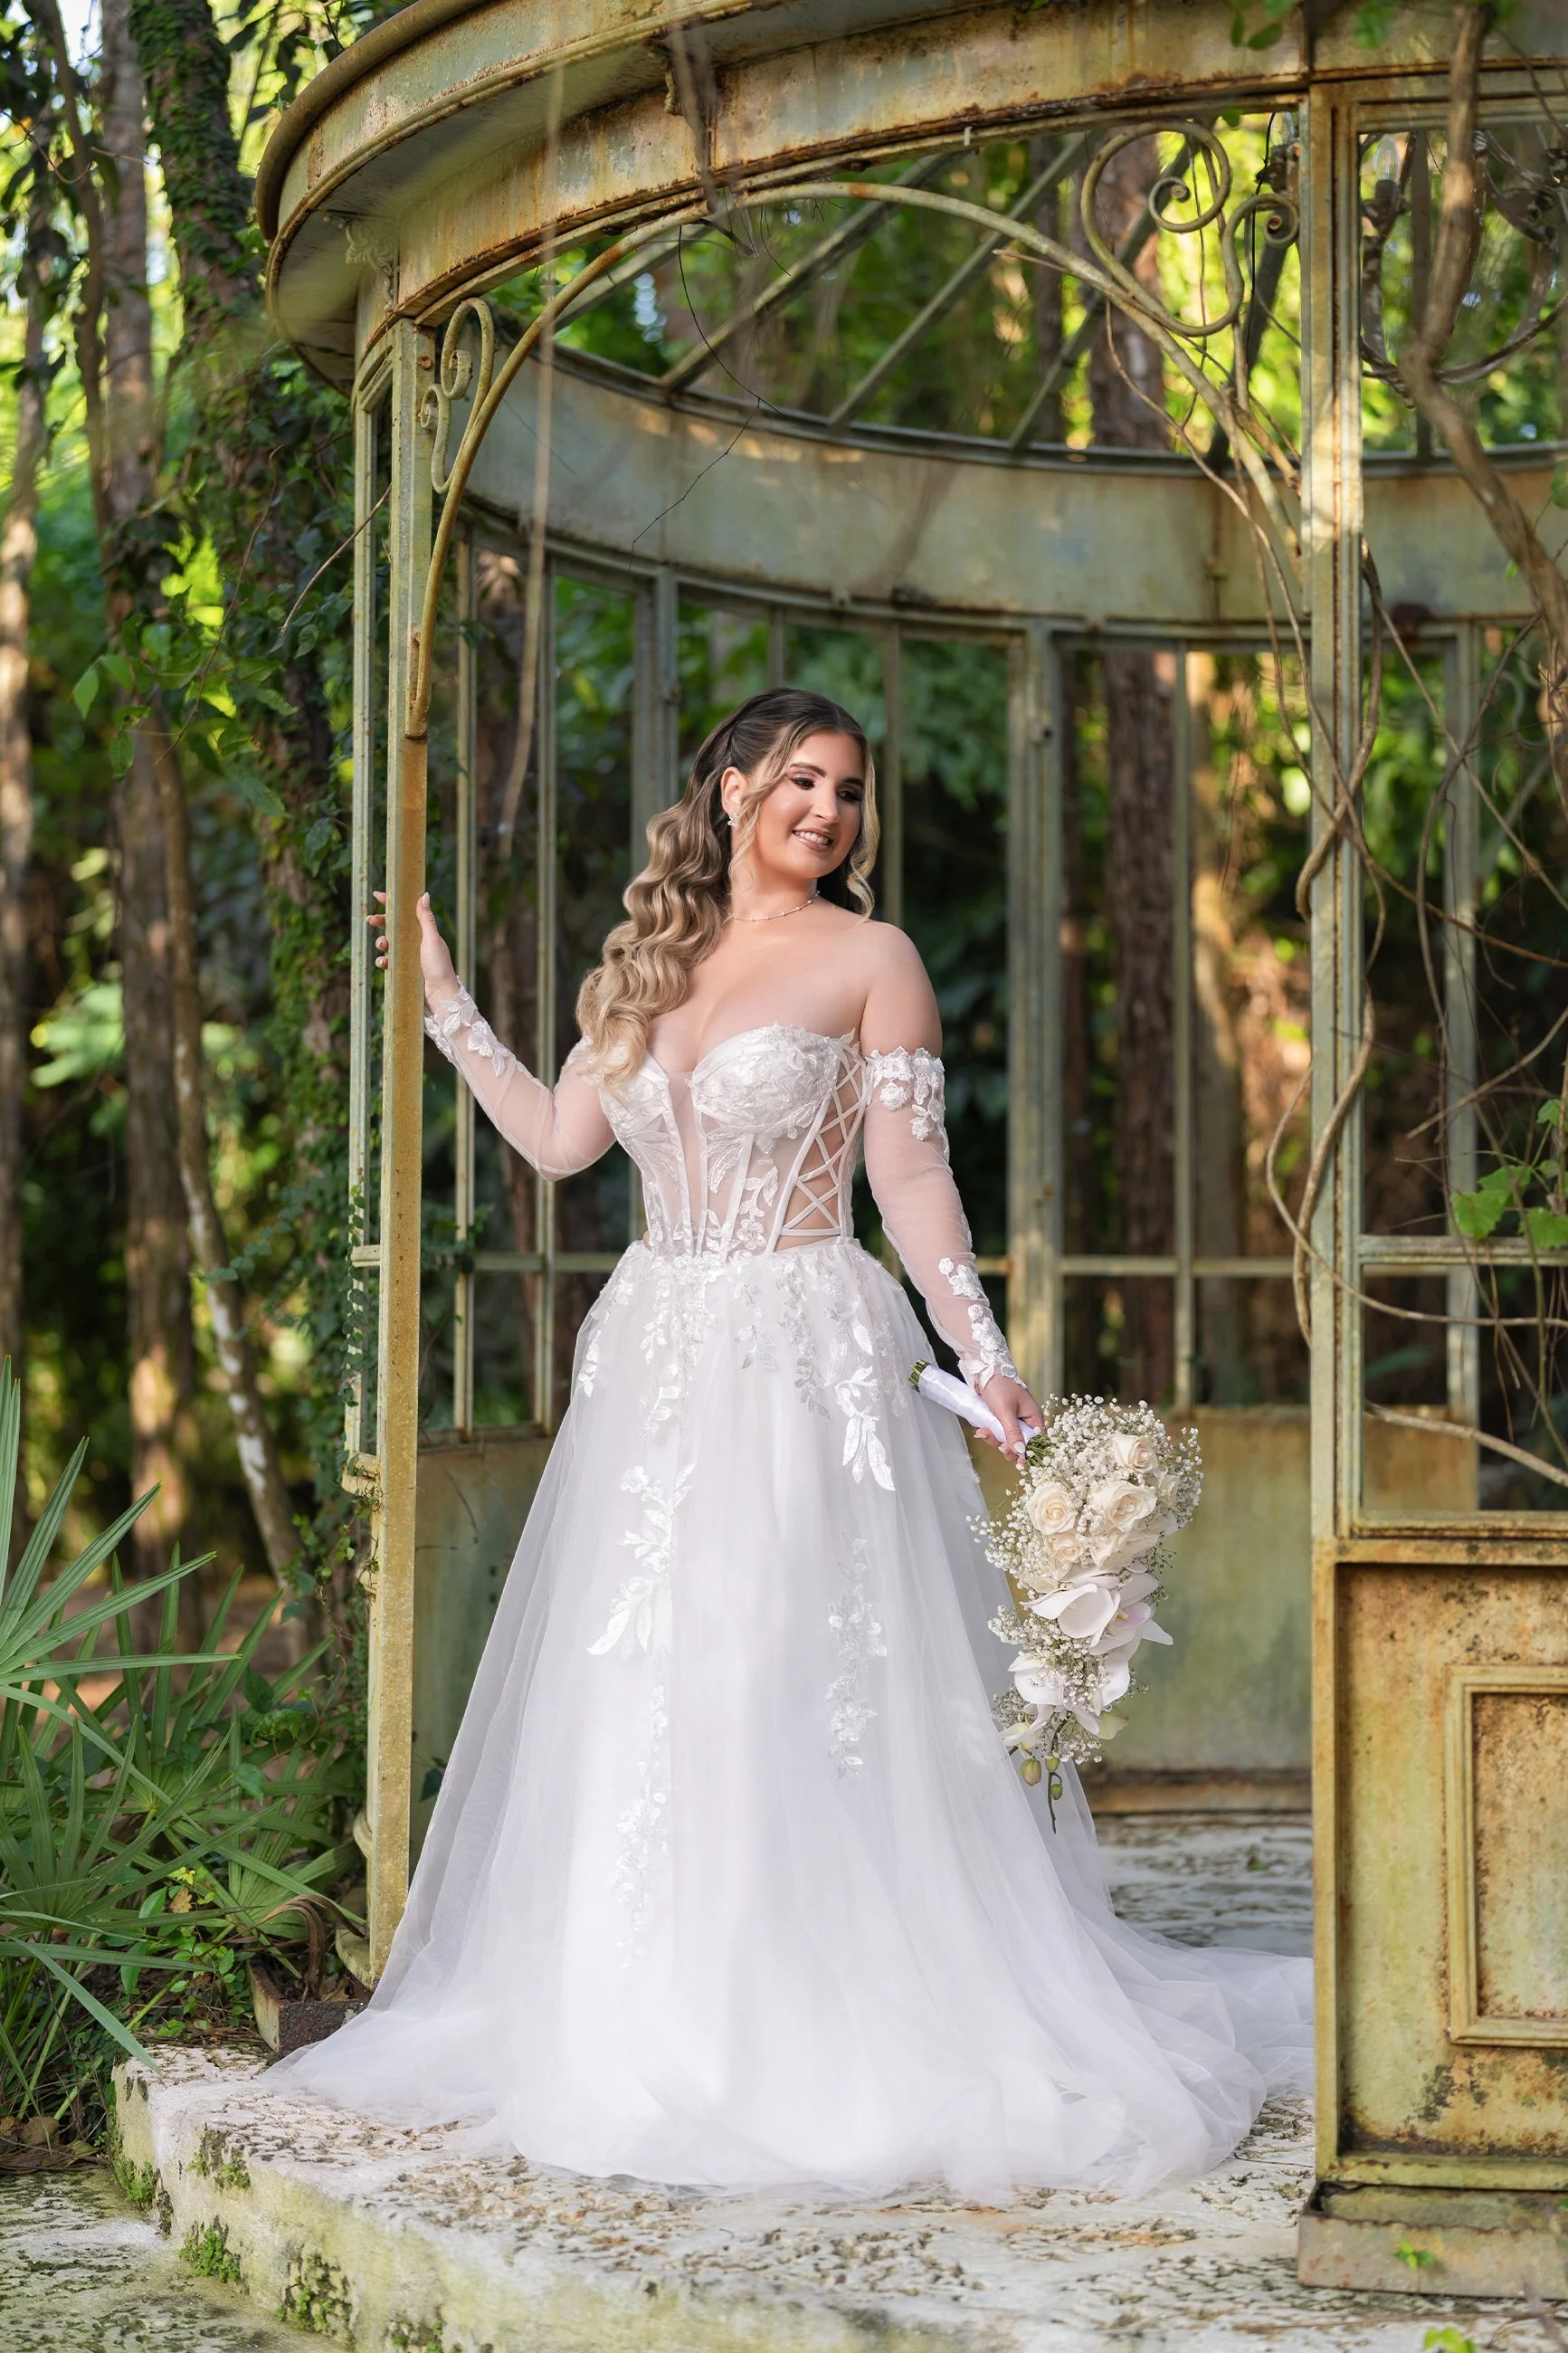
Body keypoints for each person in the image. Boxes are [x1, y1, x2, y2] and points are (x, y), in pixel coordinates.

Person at [273, 687, 1310, 2199]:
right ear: (734, 786)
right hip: (655, 1355)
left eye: (853, 792)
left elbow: (914, 1176)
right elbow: (562, 1146)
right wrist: (445, 1001)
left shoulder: (872, 959)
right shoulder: (646, 964)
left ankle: (812, 2007)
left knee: (784, 1663)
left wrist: (986, 1354)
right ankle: (646, 2003)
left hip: (804, 1347)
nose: (831, 810)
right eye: (804, 781)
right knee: (650, 1672)